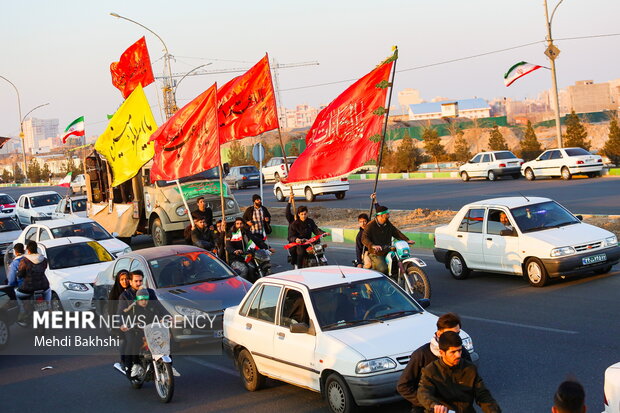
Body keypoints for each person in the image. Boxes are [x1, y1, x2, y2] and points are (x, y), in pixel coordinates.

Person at [397, 313, 472, 413]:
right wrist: (430, 404)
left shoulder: (462, 353)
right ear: (439, 334)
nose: (455, 338)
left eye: (457, 334)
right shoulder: (421, 354)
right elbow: (403, 386)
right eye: (450, 334)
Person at [418, 331, 501, 413]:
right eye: (453, 352)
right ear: (441, 353)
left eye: (459, 350)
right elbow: (424, 393)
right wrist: (434, 406)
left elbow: (483, 395)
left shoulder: (469, 369)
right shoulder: (430, 371)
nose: (458, 355)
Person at [119, 287, 166, 378]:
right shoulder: (133, 308)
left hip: (152, 330)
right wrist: (127, 324)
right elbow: (126, 317)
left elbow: (163, 311)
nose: (144, 302)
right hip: (139, 331)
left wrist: (167, 317)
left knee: (164, 343)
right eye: (141, 300)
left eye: (146, 299)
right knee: (135, 344)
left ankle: (168, 365)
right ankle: (136, 364)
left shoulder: (153, 305)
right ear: (137, 300)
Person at [117, 271, 157, 376]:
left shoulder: (150, 292)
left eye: (140, 280)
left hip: (150, 324)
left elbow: (159, 307)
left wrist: (169, 317)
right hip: (132, 326)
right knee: (132, 342)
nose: (139, 283)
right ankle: (130, 368)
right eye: (136, 281)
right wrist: (122, 324)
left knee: (164, 341)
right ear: (130, 282)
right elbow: (120, 313)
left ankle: (167, 366)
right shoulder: (125, 296)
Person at [362, 204, 412, 275]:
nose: (389, 215)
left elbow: (396, 232)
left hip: (387, 250)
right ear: (381, 215)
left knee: (398, 264)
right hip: (376, 253)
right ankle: (371, 275)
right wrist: (372, 245)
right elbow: (364, 238)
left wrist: (406, 240)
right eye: (387, 214)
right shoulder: (370, 225)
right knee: (383, 269)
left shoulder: (387, 223)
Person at [15, 241, 51, 321]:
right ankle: (49, 308)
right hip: (43, 286)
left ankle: (22, 312)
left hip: (28, 288)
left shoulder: (24, 261)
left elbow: (20, 274)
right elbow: (44, 269)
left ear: (28, 250)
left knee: (17, 294)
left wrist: (20, 274)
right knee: (48, 291)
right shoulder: (44, 259)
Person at [288, 205, 325, 269]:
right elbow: (290, 237)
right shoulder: (294, 224)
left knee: (320, 249)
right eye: (302, 214)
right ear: (299, 214)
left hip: (309, 242)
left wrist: (323, 233)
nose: (303, 216)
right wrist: (296, 239)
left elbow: (316, 230)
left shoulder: (310, 222)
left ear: (307, 213)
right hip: (299, 244)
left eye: (305, 214)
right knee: (301, 253)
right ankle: (299, 268)